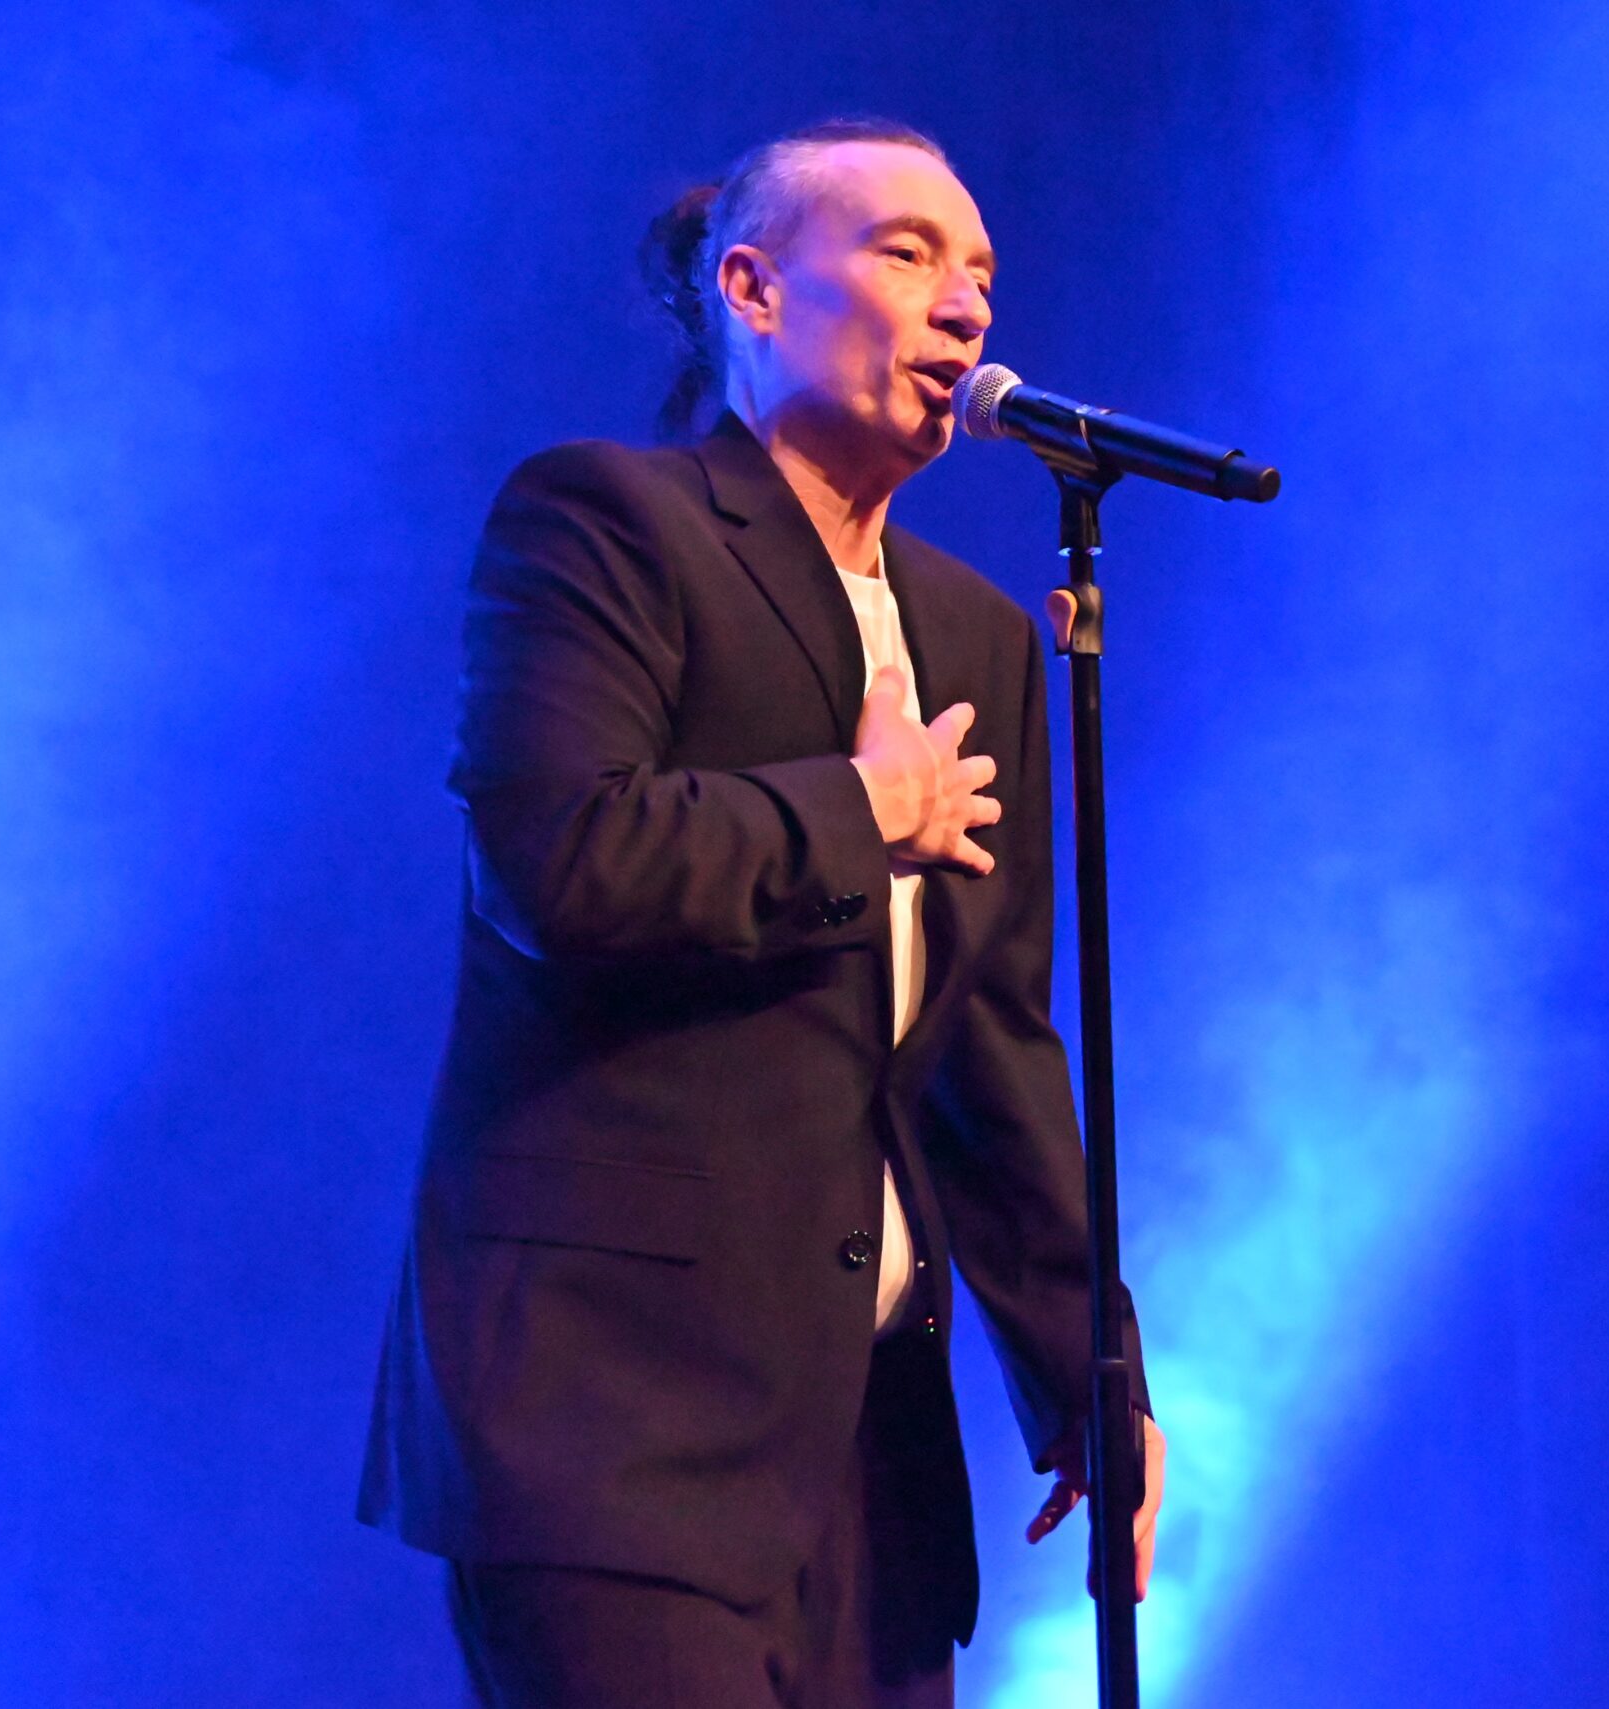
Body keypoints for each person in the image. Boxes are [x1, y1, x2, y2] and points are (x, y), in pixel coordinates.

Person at [359, 116, 1166, 1709]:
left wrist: (1090, 1368)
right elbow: (556, 862)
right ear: (753, 287)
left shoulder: (977, 636)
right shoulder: (609, 523)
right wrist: (858, 811)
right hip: (612, 1416)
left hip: (866, 1455)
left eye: (981, 271)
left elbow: (993, 1048)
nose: (965, 302)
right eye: (907, 252)